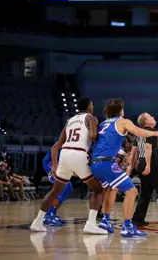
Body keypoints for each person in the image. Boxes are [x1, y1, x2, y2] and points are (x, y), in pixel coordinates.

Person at [90, 99, 158, 237]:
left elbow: (102, 142)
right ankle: (127, 226)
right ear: (120, 110)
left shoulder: (103, 124)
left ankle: (105, 220)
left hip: (95, 163)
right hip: (107, 164)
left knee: (111, 189)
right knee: (132, 191)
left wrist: (122, 153)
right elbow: (138, 131)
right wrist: (155, 133)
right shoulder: (123, 121)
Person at [30, 97, 106, 234]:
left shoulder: (69, 121)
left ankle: (37, 222)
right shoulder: (91, 118)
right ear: (89, 106)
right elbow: (94, 136)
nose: (93, 107)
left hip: (64, 155)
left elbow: (55, 147)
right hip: (79, 155)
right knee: (98, 190)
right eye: (92, 104)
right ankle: (90, 223)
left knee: (54, 191)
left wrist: (54, 165)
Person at [40, 151, 73, 226]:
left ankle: (53, 213)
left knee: (69, 187)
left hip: (59, 164)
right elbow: (54, 148)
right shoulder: (65, 142)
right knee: (62, 186)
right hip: (51, 163)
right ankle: (48, 215)